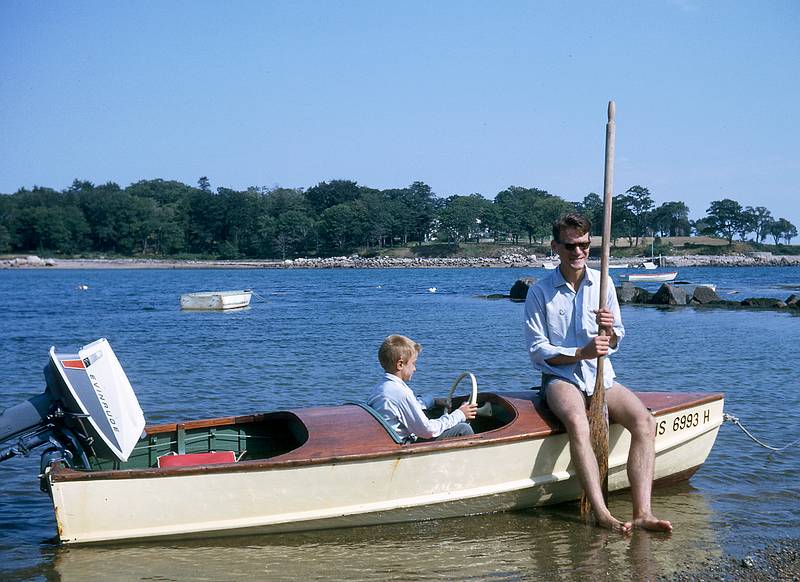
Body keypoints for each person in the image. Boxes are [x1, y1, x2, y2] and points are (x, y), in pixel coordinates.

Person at [524, 212, 672, 533]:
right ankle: (602, 513)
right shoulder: (540, 291)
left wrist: (609, 332)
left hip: (601, 375)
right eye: (570, 246)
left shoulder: (602, 282)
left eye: (584, 246)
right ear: (555, 247)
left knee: (645, 422)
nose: (577, 253)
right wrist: (580, 352)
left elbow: (617, 335)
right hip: (560, 378)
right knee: (578, 422)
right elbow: (538, 350)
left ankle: (643, 512)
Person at [368, 334, 477, 443]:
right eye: (413, 363)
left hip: (390, 441)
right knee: (463, 429)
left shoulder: (382, 386)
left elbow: (414, 404)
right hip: (404, 445)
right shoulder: (401, 392)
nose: (415, 369)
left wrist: (433, 401)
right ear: (400, 364)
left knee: (430, 413)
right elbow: (427, 430)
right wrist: (460, 414)